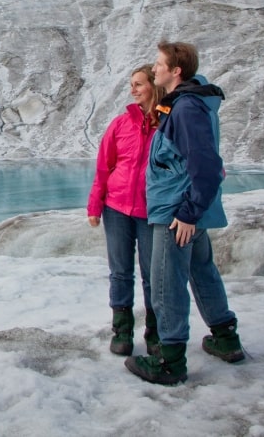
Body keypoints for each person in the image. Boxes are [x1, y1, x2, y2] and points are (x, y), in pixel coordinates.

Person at [125, 41, 245, 386]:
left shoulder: (187, 108)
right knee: (201, 270)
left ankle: (170, 361)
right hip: (184, 206)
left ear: (176, 71)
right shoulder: (182, 103)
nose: (155, 68)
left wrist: (189, 213)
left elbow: (206, 166)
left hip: (176, 211)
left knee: (167, 283)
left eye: (159, 64)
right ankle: (225, 338)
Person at [87, 65, 164, 356]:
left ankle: (155, 333)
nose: (132, 90)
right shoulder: (121, 123)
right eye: (131, 84)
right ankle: (122, 330)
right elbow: (104, 166)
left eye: (138, 84)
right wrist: (95, 205)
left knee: (151, 274)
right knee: (120, 272)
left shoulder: (169, 124)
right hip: (116, 208)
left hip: (151, 210)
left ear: (154, 86)